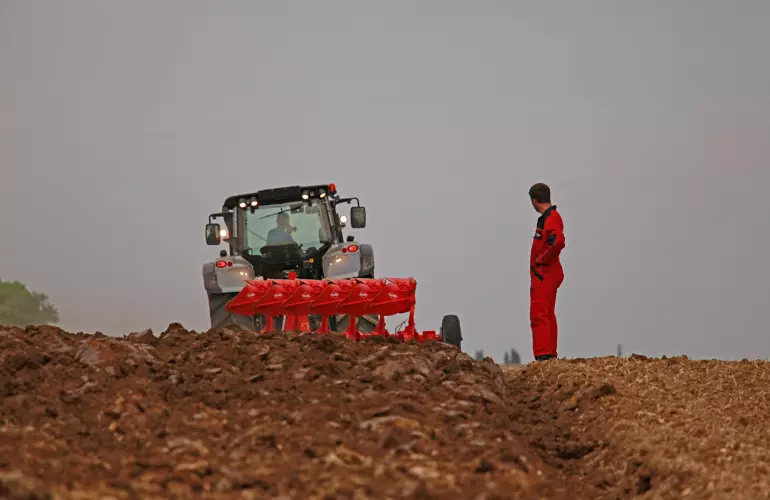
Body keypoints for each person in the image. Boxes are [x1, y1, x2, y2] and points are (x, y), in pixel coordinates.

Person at [528, 182, 565, 361]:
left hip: (545, 274)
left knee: (540, 314)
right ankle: (548, 353)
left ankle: (544, 354)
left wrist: (541, 259)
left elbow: (556, 241)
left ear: (534, 201)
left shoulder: (552, 217)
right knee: (546, 314)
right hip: (543, 274)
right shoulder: (547, 218)